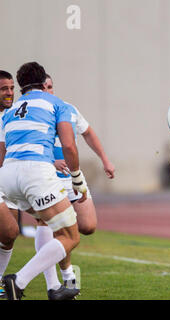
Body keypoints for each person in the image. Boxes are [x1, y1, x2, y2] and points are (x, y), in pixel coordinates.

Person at [0, 62, 87, 300]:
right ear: (43, 82)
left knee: (43, 222)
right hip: (36, 173)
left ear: (20, 85)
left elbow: (2, 151)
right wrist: (78, 178)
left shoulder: (9, 110)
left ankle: (54, 287)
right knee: (70, 236)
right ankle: (17, 281)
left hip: (8, 177)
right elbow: (68, 145)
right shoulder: (58, 104)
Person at [37, 73, 115, 290]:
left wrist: (105, 160)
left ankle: (61, 270)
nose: (48, 91)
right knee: (58, 227)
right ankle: (65, 275)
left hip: (73, 178)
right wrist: (51, 162)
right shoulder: (34, 113)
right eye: (43, 87)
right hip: (46, 179)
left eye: (50, 86)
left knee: (88, 226)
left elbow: (88, 132)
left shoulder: (67, 109)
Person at [0, 71, 20, 296]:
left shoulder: (14, 115)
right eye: (4, 89)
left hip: (9, 180)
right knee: (10, 230)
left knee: (8, 236)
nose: (9, 93)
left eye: (12, 88)